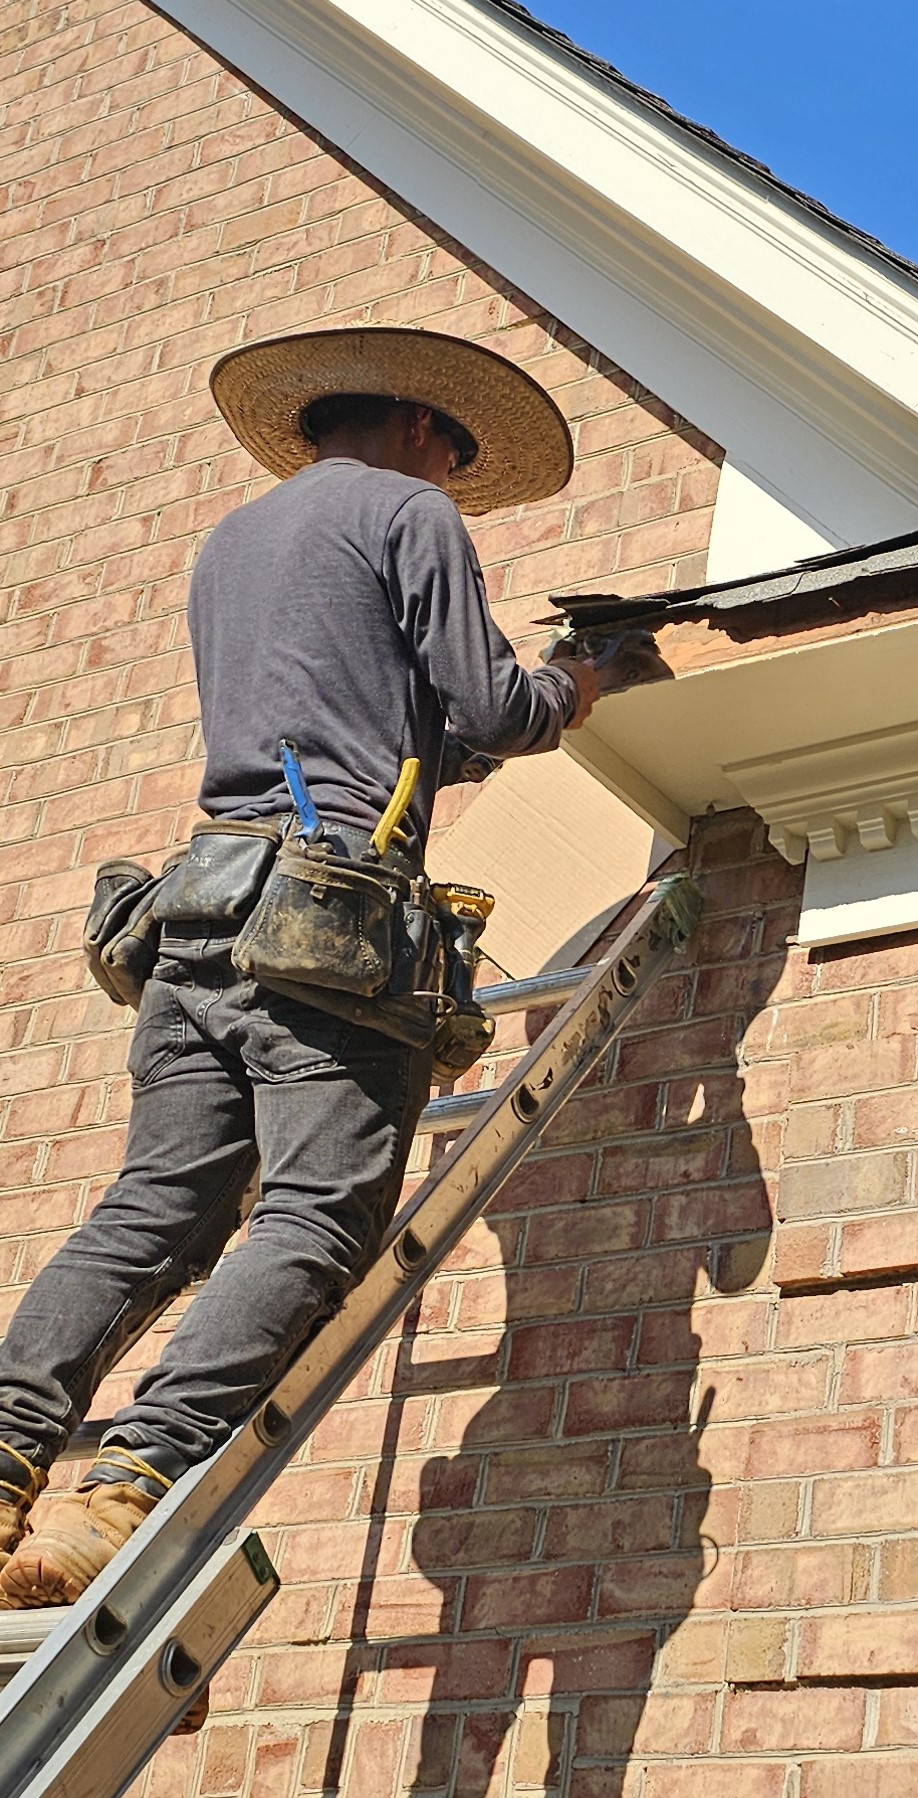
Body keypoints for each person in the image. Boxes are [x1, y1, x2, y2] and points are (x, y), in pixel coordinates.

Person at [0, 326, 606, 1608]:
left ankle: (6, 1455)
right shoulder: (410, 514)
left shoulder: (233, 544)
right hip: (326, 933)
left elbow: (368, 732)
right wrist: (572, 684)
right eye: (453, 452)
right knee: (320, 1213)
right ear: (423, 430)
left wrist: (460, 746)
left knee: (155, 1206)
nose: (450, 473)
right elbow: (495, 708)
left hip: (203, 907)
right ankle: (127, 1486)